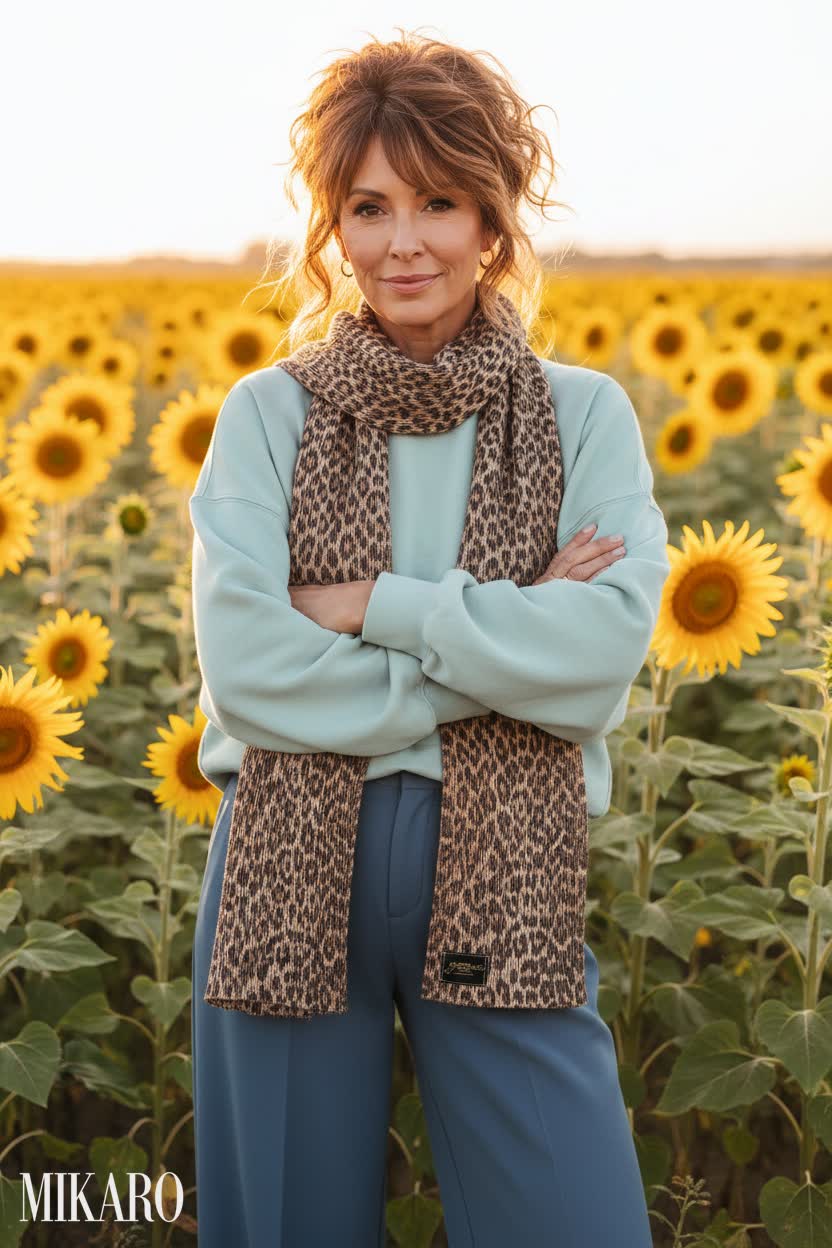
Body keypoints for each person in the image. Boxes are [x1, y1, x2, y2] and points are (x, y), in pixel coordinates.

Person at [189, 28, 669, 1248]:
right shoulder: (266, 416)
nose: (401, 241)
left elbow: (601, 651)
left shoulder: (582, 416)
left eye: (438, 202)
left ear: (493, 221)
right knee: (289, 1222)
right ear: (329, 228)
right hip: (292, 856)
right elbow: (248, 670)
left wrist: (378, 606)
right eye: (367, 206)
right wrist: (500, 652)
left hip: (506, 851)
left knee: (575, 1224)